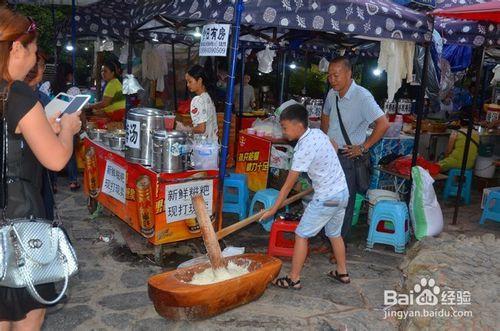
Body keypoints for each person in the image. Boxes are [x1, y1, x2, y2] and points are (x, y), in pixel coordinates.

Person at [0, 7, 82, 329]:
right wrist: (67, 131)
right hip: (19, 225)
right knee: (25, 317)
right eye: (33, 51)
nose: (35, 60)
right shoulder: (18, 94)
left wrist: (40, 126)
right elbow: (57, 159)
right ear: (17, 48)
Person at [261, 103, 350, 288]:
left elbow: (287, 186)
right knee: (334, 233)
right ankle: (342, 272)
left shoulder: (303, 149)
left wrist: (273, 209)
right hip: (342, 193)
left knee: (301, 234)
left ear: (298, 125)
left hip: (328, 198)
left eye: (285, 127)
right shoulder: (317, 133)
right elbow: (333, 146)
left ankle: (293, 279)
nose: (283, 132)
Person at [321, 57, 389, 245]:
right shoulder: (332, 94)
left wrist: (363, 147)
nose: (332, 79)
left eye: (336, 75)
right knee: (329, 199)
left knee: (345, 203)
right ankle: (328, 239)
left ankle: (338, 244)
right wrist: (324, 139)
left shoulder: (362, 96)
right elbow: (325, 114)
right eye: (329, 76)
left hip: (348, 158)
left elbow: (383, 124)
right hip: (331, 155)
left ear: (349, 74)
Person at [50, 62, 81, 191]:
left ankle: (53, 184)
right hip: (67, 125)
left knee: (52, 153)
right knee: (70, 153)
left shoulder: (48, 87)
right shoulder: (74, 90)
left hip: (52, 124)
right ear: (69, 75)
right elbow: (79, 111)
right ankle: (73, 181)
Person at [184, 65, 218, 142]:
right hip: (213, 145)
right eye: (187, 82)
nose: (188, 85)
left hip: (203, 148)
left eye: (190, 81)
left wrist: (185, 129)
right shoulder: (208, 96)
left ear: (199, 80)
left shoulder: (197, 100)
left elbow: (201, 128)